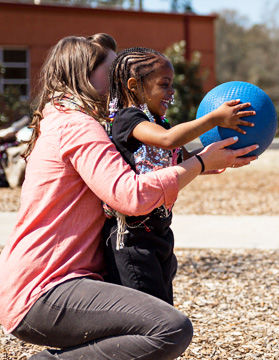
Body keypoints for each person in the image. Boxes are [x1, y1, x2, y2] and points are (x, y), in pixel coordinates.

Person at [0, 35, 258, 359]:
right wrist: (202, 161)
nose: (117, 82)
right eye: (111, 74)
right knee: (169, 329)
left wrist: (206, 160)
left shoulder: (71, 120)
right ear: (85, 75)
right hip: (44, 286)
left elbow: (147, 163)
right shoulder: (76, 127)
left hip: (62, 280)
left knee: (155, 324)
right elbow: (130, 195)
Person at [102, 47, 255, 304]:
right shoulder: (128, 120)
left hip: (159, 234)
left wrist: (216, 157)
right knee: (147, 317)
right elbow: (168, 140)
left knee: (163, 308)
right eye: (164, 84)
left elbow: (180, 155)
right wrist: (214, 118)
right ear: (133, 86)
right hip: (131, 241)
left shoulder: (158, 122)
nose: (171, 91)